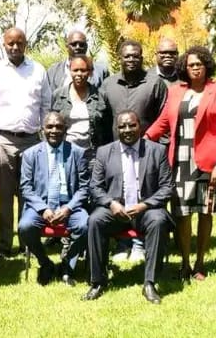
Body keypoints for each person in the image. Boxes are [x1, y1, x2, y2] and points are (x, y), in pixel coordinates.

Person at [144, 46, 216, 281]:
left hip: (210, 161)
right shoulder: (176, 91)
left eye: (199, 64)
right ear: (184, 68)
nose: (194, 68)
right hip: (180, 161)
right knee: (182, 213)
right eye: (190, 65)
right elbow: (163, 122)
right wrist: (142, 142)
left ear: (206, 66)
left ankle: (200, 263)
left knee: (206, 212)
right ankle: (185, 262)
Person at [82, 111, 175, 304]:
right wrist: (111, 203)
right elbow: (95, 187)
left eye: (131, 125)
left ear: (139, 126)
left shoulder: (156, 150)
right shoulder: (104, 152)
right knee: (95, 220)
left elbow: (168, 187)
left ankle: (149, 283)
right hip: (115, 211)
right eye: (122, 126)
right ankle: (97, 281)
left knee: (158, 220)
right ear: (116, 129)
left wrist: (144, 205)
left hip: (146, 210)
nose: (127, 130)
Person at [99, 40, 167, 261]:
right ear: (120, 57)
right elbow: (101, 118)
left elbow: (164, 119)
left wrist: (152, 143)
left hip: (146, 152)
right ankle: (122, 242)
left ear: (142, 57)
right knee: (119, 195)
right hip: (116, 153)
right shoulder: (109, 84)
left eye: (136, 56)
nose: (131, 60)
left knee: (142, 196)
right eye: (127, 56)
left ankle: (140, 242)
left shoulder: (155, 83)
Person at [0, 27, 51, 257]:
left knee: (29, 193)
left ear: (26, 44)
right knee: (5, 196)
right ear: (4, 44)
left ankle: (28, 244)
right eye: (10, 43)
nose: (15, 47)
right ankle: (5, 245)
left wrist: (44, 139)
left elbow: (45, 105)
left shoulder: (38, 70)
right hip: (4, 140)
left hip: (33, 141)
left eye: (19, 43)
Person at [18, 112, 89, 286]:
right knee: (25, 227)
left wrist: (68, 208)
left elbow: (85, 187)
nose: (54, 130)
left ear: (66, 129)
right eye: (50, 127)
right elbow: (25, 188)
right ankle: (45, 263)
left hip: (69, 205)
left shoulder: (77, 153)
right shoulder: (30, 154)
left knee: (87, 225)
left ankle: (68, 265)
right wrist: (43, 209)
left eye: (59, 127)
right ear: (43, 130)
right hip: (41, 206)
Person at [51, 55, 112, 156]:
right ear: (70, 71)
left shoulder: (100, 96)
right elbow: (51, 124)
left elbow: (107, 128)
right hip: (66, 153)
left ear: (90, 72)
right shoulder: (58, 95)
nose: (79, 74)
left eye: (83, 70)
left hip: (92, 154)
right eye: (75, 70)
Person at [44, 30, 109, 90]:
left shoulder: (100, 71)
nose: (78, 47)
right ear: (67, 47)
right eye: (74, 44)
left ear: (86, 47)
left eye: (81, 45)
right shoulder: (53, 71)